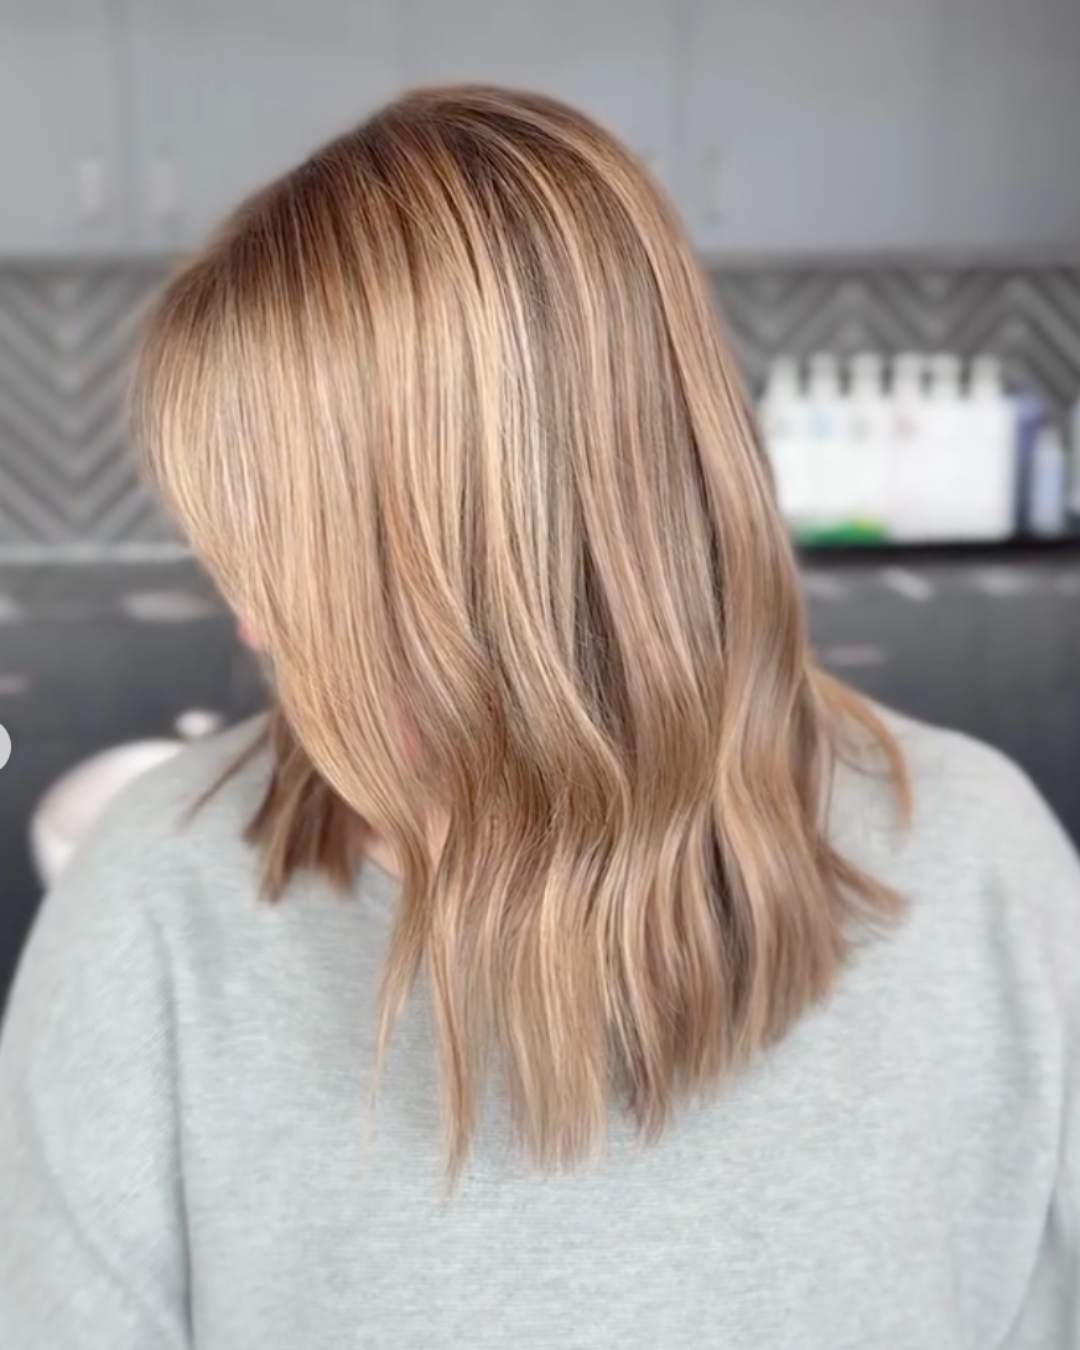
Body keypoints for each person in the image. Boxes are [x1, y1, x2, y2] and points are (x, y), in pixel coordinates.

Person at [0, 86, 1077, 1350]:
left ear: (546, 549)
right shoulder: (156, 895)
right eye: (240, 556)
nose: (258, 629)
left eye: (320, 562)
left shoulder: (984, 869)